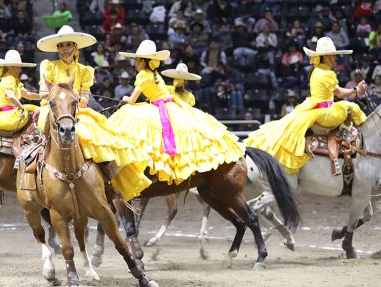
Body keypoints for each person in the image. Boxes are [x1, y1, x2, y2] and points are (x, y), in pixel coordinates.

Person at [36, 26, 151, 201]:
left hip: (77, 109)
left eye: (69, 45)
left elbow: (84, 98)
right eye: (61, 45)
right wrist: (62, 94)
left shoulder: (85, 70)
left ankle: (106, 175)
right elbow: (43, 93)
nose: (65, 48)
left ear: (75, 47)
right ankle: (34, 170)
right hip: (53, 108)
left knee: (97, 131)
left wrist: (75, 97)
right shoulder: (49, 66)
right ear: (58, 48)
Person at [109, 40, 244, 186]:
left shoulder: (143, 75)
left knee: (130, 119)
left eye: (136, 59)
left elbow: (131, 101)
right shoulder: (155, 74)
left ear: (143, 61)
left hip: (160, 107)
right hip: (169, 106)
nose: (135, 62)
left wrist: (124, 98)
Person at [245, 37, 367, 176]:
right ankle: (359, 140)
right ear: (326, 57)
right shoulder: (328, 73)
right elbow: (339, 93)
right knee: (352, 107)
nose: (335, 57)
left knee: (347, 106)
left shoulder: (316, 70)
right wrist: (356, 89)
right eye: (333, 55)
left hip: (314, 106)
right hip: (326, 112)